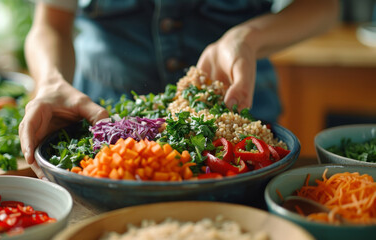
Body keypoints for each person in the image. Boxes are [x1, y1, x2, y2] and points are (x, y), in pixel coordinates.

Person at [19, 0, 339, 178]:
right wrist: (50, 81)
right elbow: (50, 23)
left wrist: (247, 38)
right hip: (104, 125)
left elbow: (325, 8)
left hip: (244, 125)